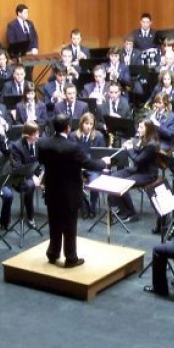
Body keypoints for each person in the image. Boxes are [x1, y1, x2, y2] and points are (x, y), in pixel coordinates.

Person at [38, 114, 111, 267]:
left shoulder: (43, 143)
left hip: (52, 191)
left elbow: (41, 161)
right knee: (70, 226)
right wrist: (104, 162)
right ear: (68, 128)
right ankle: (70, 257)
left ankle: (53, 253)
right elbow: (90, 164)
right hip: (69, 193)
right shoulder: (72, 148)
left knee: (54, 223)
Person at [109, 119, 161, 223]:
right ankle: (122, 208)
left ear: (148, 129)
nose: (138, 129)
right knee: (112, 178)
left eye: (141, 127)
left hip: (147, 174)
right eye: (139, 126)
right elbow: (138, 151)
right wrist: (131, 146)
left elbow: (138, 159)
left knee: (123, 184)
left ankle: (131, 214)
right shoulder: (144, 139)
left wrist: (129, 149)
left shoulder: (152, 145)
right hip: (138, 170)